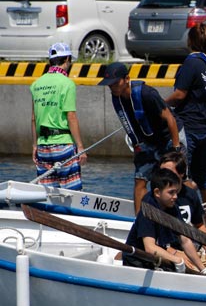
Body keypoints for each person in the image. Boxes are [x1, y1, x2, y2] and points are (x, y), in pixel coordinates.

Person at [98, 62, 184, 214]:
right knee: (140, 179)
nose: (112, 87)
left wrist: (176, 149)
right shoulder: (117, 97)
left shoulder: (147, 94)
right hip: (147, 143)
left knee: (176, 179)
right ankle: (139, 220)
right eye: (109, 85)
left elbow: (170, 119)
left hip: (169, 138)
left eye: (115, 83)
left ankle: (184, 214)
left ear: (126, 79)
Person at [123, 168, 206, 277]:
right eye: (171, 192)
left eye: (176, 192)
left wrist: (203, 269)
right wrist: (176, 260)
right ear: (157, 192)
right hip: (137, 262)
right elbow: (150, 247)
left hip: (158, 259)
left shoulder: (172, 207)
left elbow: (185, 240)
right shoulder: (147, 210)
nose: (175, 196)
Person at [164, 23, 206, 200]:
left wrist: (161, 104)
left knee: (181, 171)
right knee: (203, 175)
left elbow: (179, 94)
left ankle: (184, 209)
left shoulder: (191, 62)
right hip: (203, 125)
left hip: (188, 125)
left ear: (190, 41)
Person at [158, 151, 206, 274]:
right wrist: (174, 253)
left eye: (169, 172)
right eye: (161, 172)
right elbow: (152, 240)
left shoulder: (190, 194)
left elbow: (200, 225)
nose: (164, 176)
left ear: (181, 174)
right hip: (169, 252)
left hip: (191, 250)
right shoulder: (156, 198)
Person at [30, 42, 86, 189]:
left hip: (43, 146)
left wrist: (35, 145)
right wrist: (80, 147)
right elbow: (71, 116)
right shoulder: (67, 84)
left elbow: (33, 118)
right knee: (72, 193)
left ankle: (45, 213)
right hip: (63, 145)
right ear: (66, 59)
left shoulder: (36, 84)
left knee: (47, 194)